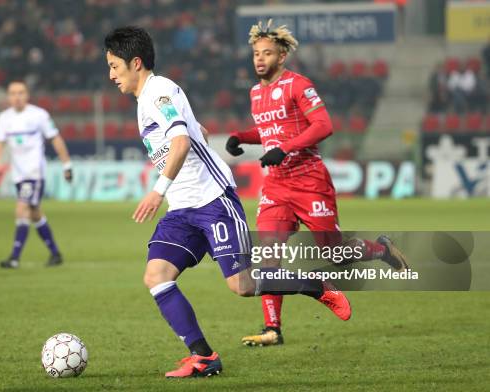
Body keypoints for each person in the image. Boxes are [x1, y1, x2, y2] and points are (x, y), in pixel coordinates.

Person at [104, 25, 351, 378]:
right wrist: (193, 134)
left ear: (136, 62)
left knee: (242, 286)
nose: (111, 75)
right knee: (156, 275)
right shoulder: (150, 99)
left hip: (212, 201)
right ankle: (203, 356)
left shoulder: (157, 92)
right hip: (183, 209)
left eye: (114, 66)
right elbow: (196, 133)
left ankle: (315, 287)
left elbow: (181, 143)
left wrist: (158, 189)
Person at [225, 21, 409, 347]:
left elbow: (324, 125)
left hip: (310, 182)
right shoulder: (256, 92)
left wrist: (286, 148)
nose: (259, 59)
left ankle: (382, 248)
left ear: (282, 56)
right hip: (277, 187)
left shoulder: (298, 85)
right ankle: (272, 329)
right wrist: (243, 137)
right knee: (268, 259)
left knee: (335, 253)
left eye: (267, 53)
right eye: (256, 53)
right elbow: (271, 132)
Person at [0, 80, 72, 269]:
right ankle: (55, 254)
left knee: (21, 209)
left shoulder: (39, 115)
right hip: (18, 175)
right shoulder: (4, 118)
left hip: (34, 173)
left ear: (27, 95)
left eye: (21, 92)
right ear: (8, 97)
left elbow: (55, 138)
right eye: (13, 93)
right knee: (35, 214)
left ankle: (14, 257)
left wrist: (66, 164)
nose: (17, 97)